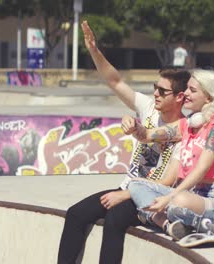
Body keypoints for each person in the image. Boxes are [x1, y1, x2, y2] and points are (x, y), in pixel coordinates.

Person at [57, 21, 191, 264]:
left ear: (180, 97)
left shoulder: (185, 131)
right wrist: (94, 50)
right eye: (155, 88)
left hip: (151, 197)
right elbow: (115, 81)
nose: (155, 95)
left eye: (162, 91)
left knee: (115, 219)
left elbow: (165, 182)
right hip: (127, 188)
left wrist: (126, 195)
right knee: (76, 214)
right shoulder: (148, 107)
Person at [122, 69, 214, 241]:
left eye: (192, 91)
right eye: (187, 89)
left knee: (177, 202)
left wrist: (169, 197)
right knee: (135, 185)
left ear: (208, 98)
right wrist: (132, 125)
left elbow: (201, 169)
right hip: (194, 197)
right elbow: (147, 135)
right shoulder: (187, 125)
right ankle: (168, 224)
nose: (185, 93)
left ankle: (164, 216)